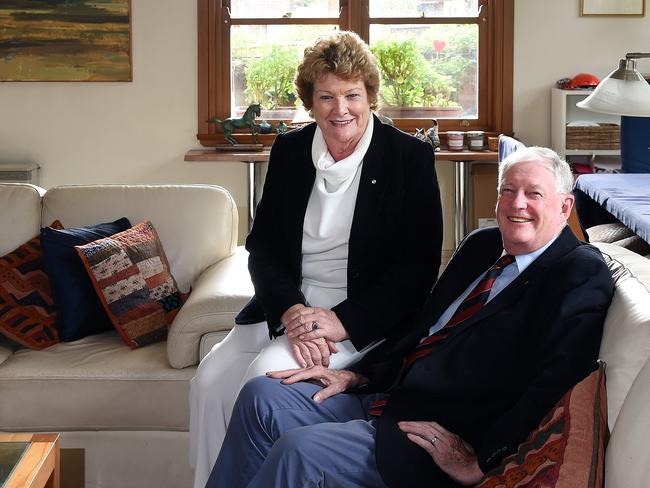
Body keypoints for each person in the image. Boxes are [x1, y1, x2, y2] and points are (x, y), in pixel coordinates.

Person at [206, 146, 614, 488]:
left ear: (565, 206)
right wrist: (358, 374)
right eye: (508, 190)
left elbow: (556, 382)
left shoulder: (578, 273)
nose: (516, 204)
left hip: (436, 430)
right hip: (390, 393)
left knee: (300, 452)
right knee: (261, 396)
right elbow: (422, 327)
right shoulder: (481, 246)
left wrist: (481, 460)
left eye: (533, 194)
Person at [189, 31, 443, 488]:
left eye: (352, 95)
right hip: (290, 310)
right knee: (208, 385)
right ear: (310, 101)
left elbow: (417, 270)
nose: (340, 109)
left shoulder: (409, 158)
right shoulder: (290, 152)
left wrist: (341, 323)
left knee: (260, 380)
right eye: (326, 96)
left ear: (370, 97)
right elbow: (263, 247)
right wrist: (290, 312)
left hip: (361, 319)